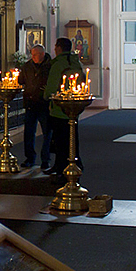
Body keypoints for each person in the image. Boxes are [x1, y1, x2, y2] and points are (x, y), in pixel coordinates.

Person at [43, 37, 84, 180]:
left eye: (55, 47)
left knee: (61, 141)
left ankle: (62, 169)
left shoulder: (58, 64)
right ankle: (68, 164)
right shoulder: (76, 62)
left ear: (59, 48)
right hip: (74, 107)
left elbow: (52, 87)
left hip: (59, 108)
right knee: (72, 138)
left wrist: (46, 96)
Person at [17, 44, 52, 169]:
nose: (33, 57)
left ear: (42, 54)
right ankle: (30, 158)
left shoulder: (50, 66)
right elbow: (21, 80)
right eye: (32, 54)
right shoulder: (27, 66)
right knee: (29, 132)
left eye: (35, 55)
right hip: (31, 103)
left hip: (44, 103)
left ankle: (45, 159)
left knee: (47, 132)